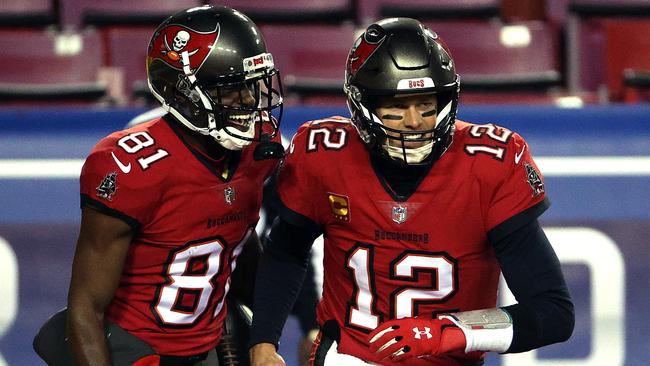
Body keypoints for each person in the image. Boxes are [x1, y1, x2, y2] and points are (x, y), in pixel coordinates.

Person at [248, 18, 574, 366]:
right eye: (397, 106)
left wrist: (451, 330)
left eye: (426, 104)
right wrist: (264, 342)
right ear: (363, 105)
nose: (415, 121)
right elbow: (285, 251)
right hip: (349, 356)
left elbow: (553, 311)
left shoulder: (489, 165)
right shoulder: (325, 153)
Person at [33, 5, 285, 365]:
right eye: (229, 90)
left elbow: (238, 242)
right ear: (180, 92)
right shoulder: (130, 166)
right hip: (131, 348)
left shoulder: (256, 154)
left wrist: (262, 338)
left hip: (204, 345)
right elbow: (86, 308)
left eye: (251, 87)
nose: (247, 102)